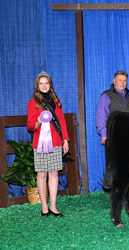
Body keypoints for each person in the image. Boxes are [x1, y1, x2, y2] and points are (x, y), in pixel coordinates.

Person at [27, 71, 70, 217]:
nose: (44, 85)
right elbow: (30, 125)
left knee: (53, 173)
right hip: (40, 143)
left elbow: (62, 121)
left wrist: (65, 140)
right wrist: (38, 121)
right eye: (41, 83)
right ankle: (44, 206)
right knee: (41, 173)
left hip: (56, 141)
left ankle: (53, 205)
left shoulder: (56, 100)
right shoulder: (33, 102)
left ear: (50, 85)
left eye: (47, 83)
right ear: (37, 86)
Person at [96, 70, 129, 196]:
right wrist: (104, 134)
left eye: (124, 81)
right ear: (114, 81)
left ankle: (127, 190)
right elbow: (101, 116)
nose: (122, 83)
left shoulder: (128, 97)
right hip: (114, 136)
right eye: (120, 80)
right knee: (116, 165)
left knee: (128, 164)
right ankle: (114, 192)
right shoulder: (106, 96)